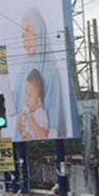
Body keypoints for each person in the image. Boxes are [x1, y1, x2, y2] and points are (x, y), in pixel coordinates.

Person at [12, 8, 63, 138]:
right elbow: (18, 108)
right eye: (23, 35)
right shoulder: (23, 69)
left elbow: (54, 128)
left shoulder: (52, 73)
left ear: (39, 30)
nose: (25, 39)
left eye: (28, 30)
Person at [17, 68, 50, 140]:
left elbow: (43, 136)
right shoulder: (26, 113)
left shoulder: (41, 113)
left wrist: (31, 121)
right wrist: (19, 126)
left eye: (29, 95)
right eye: (26, 94)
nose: (26, 98)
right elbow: (21, 130)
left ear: (39, 100)